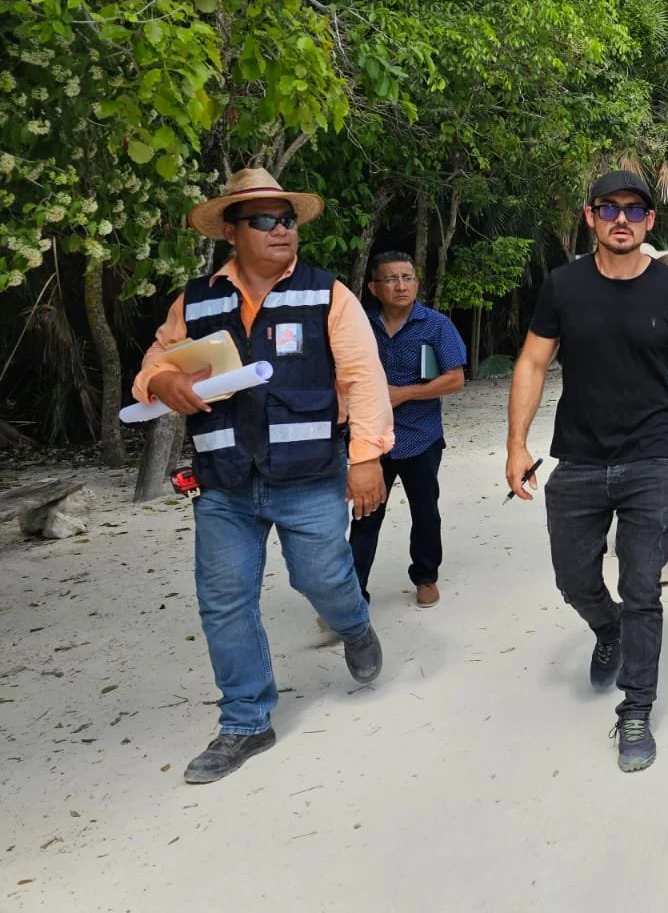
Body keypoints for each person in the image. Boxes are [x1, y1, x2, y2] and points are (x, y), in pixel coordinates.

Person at [131, 169, 390, 784]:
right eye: (265, 220)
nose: (282, 230)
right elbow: (155, 362)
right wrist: (164, 381)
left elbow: (362, 375)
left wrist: (367, 456)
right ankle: (246, 720)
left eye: (288, 219)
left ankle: (354, 625)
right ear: (231, 231)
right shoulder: (195, 301)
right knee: (224, 601)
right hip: (223, 481)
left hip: (307, 476)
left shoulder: (327, 294)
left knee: (323, 579)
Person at [505, 171, 668, 773]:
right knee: (574, 580)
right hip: (576, 457)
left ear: (650, 221)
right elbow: (530, 361)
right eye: (609, 209)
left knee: (641, 589)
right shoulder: (563, 285)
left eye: (634, 210)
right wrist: (515, 443)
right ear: (590, 217)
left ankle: (637, 707)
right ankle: (607, 630)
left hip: (648, 457)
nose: (621, 219)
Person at [351, 251, 468, 608]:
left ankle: (426, 576)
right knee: (365, 514)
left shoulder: (436, 325)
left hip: (421, 435)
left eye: (408, 278)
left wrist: (404, 394)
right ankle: (355, 592)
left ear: (416, 283)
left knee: (425, 511)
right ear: (374, 287)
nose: (401, 286)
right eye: (391, 279)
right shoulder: (360, 326)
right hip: (372, 439)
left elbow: (455, 379)